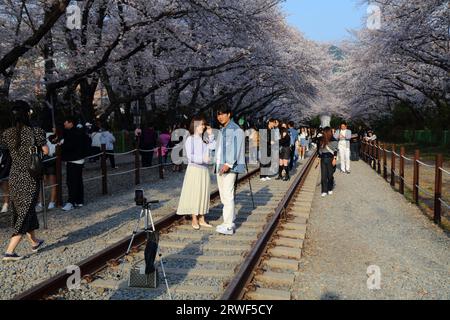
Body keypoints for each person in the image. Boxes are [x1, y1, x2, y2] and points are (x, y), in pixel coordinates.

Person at [1, 101, 48, 261]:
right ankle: (10, 251)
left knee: (23, 209)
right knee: (25, 211)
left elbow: (6, 153)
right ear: (28, 113)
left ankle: (34, 242)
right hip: (30, 176)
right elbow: (46, 151)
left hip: (14, 176)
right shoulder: (36, 131)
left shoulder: (7, 133)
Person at [176, 116, 215, 229]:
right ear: (194, 126)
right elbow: (190, 156)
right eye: (199, 125)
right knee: (195, 193)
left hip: (204, 170)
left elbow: (212, 148)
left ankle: (202, 218)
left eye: (203, 125)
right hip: (194, 169)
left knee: (203, 193)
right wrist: (203, 159)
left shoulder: (205, 139)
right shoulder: (190, 139)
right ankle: (194, 218)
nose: (202, 127)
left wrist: (211, 134)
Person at [215, 103, 245, 236]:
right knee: (224, 196)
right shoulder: (223, 129)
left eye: (222, 114)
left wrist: (228, 164)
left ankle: (228, 226)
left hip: (228, 167)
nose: (220, 117)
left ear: (229, 115)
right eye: (218, 114)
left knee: (227, 195)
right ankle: (229, 219)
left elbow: (235, 148)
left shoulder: (235, 128)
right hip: (220, 165)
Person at [61, 116, 86, 211]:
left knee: (71, 181)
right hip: (80, 159)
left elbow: (69, 146)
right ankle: (79, 200)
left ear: (71, 123)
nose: (64, 124)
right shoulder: (80, 132)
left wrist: (62, 145)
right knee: (78, 180)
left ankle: (71, 201)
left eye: (66, 122)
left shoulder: (71, 133)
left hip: (73, 159)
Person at [36, 129, 59, 212]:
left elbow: (48, 151)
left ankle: (52, 201)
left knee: (51, 182)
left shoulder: (50, 135)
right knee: (41, 183)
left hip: (49, 160)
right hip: (42, 162)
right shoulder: (37, 136)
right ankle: (41, 202)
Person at [319, 127, 338, 198]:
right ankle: (324, 190)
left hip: (331, 159)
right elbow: (320, 150)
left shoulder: (334, 140)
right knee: (323, 175)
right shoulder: (321, 140)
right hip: (323, 159)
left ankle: (330, 188)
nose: (322, 133)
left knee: (330, 175)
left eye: (324, 132)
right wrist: (319, 156)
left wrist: (335, 159)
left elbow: (335, 150)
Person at [0, 140, 11, 213]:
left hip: (4, 172)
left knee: (5, 188)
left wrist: (2, 176)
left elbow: (7, 162)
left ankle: (6, 204)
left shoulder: (4, 149)